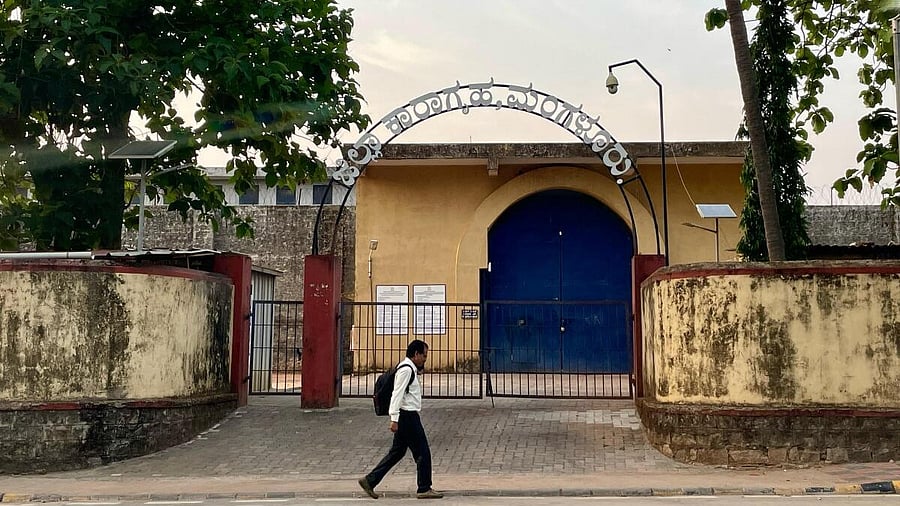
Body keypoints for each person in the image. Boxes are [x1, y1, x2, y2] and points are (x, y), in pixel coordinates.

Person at [359, 340, 443, 499]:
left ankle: (370, 481)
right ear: (416, 354)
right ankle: (424, 488)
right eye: (424, 356)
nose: (425, 359)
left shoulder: (410, 368)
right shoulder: (406, 370)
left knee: (397, 452)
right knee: (423, 452)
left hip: (406, 415)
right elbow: (397, 395)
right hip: (407, 416)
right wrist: (394, 418)